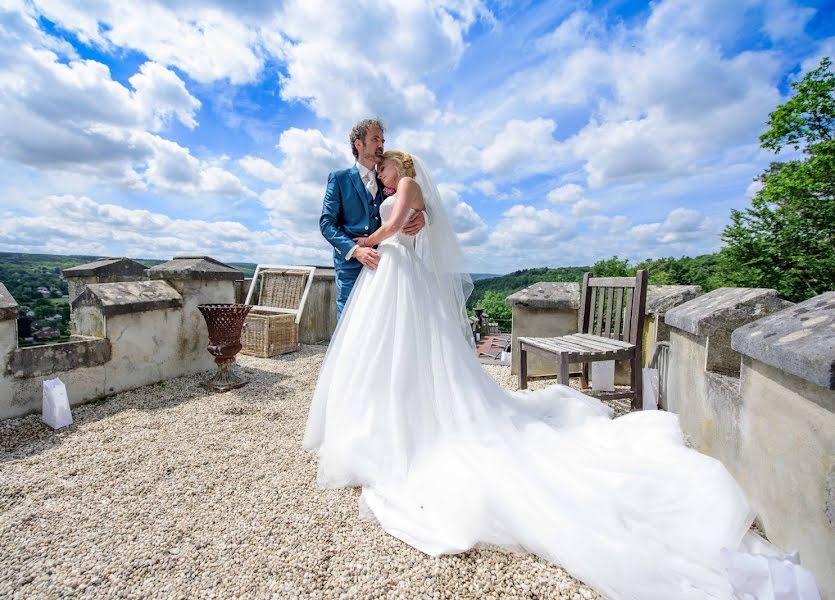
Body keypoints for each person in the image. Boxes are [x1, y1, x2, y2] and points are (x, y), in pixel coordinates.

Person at [304, 151, 819, 600]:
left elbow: (410, 220)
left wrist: (378, 234)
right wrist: (360, 244)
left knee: (411, 354)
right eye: (376, 152)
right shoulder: (355, 180)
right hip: (379, 271)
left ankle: (404, 429)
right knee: (382, 354)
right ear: (361, 149)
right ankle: (376, 424)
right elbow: (345, 219)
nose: (381, 163)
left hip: (391, 265)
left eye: (386, 157)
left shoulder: (407, 184)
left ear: (401, 164)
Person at [319, 119, 425, 318]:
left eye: (383, 140)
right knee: (350, 325)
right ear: (359, 144)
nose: (381, 145)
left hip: (387, 266)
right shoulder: (339, 178)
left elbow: (416, 200)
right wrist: (356, 250)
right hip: (351, 267)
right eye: (375, 139)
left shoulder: (388, 178)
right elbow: (326, 224)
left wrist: (424, 216)